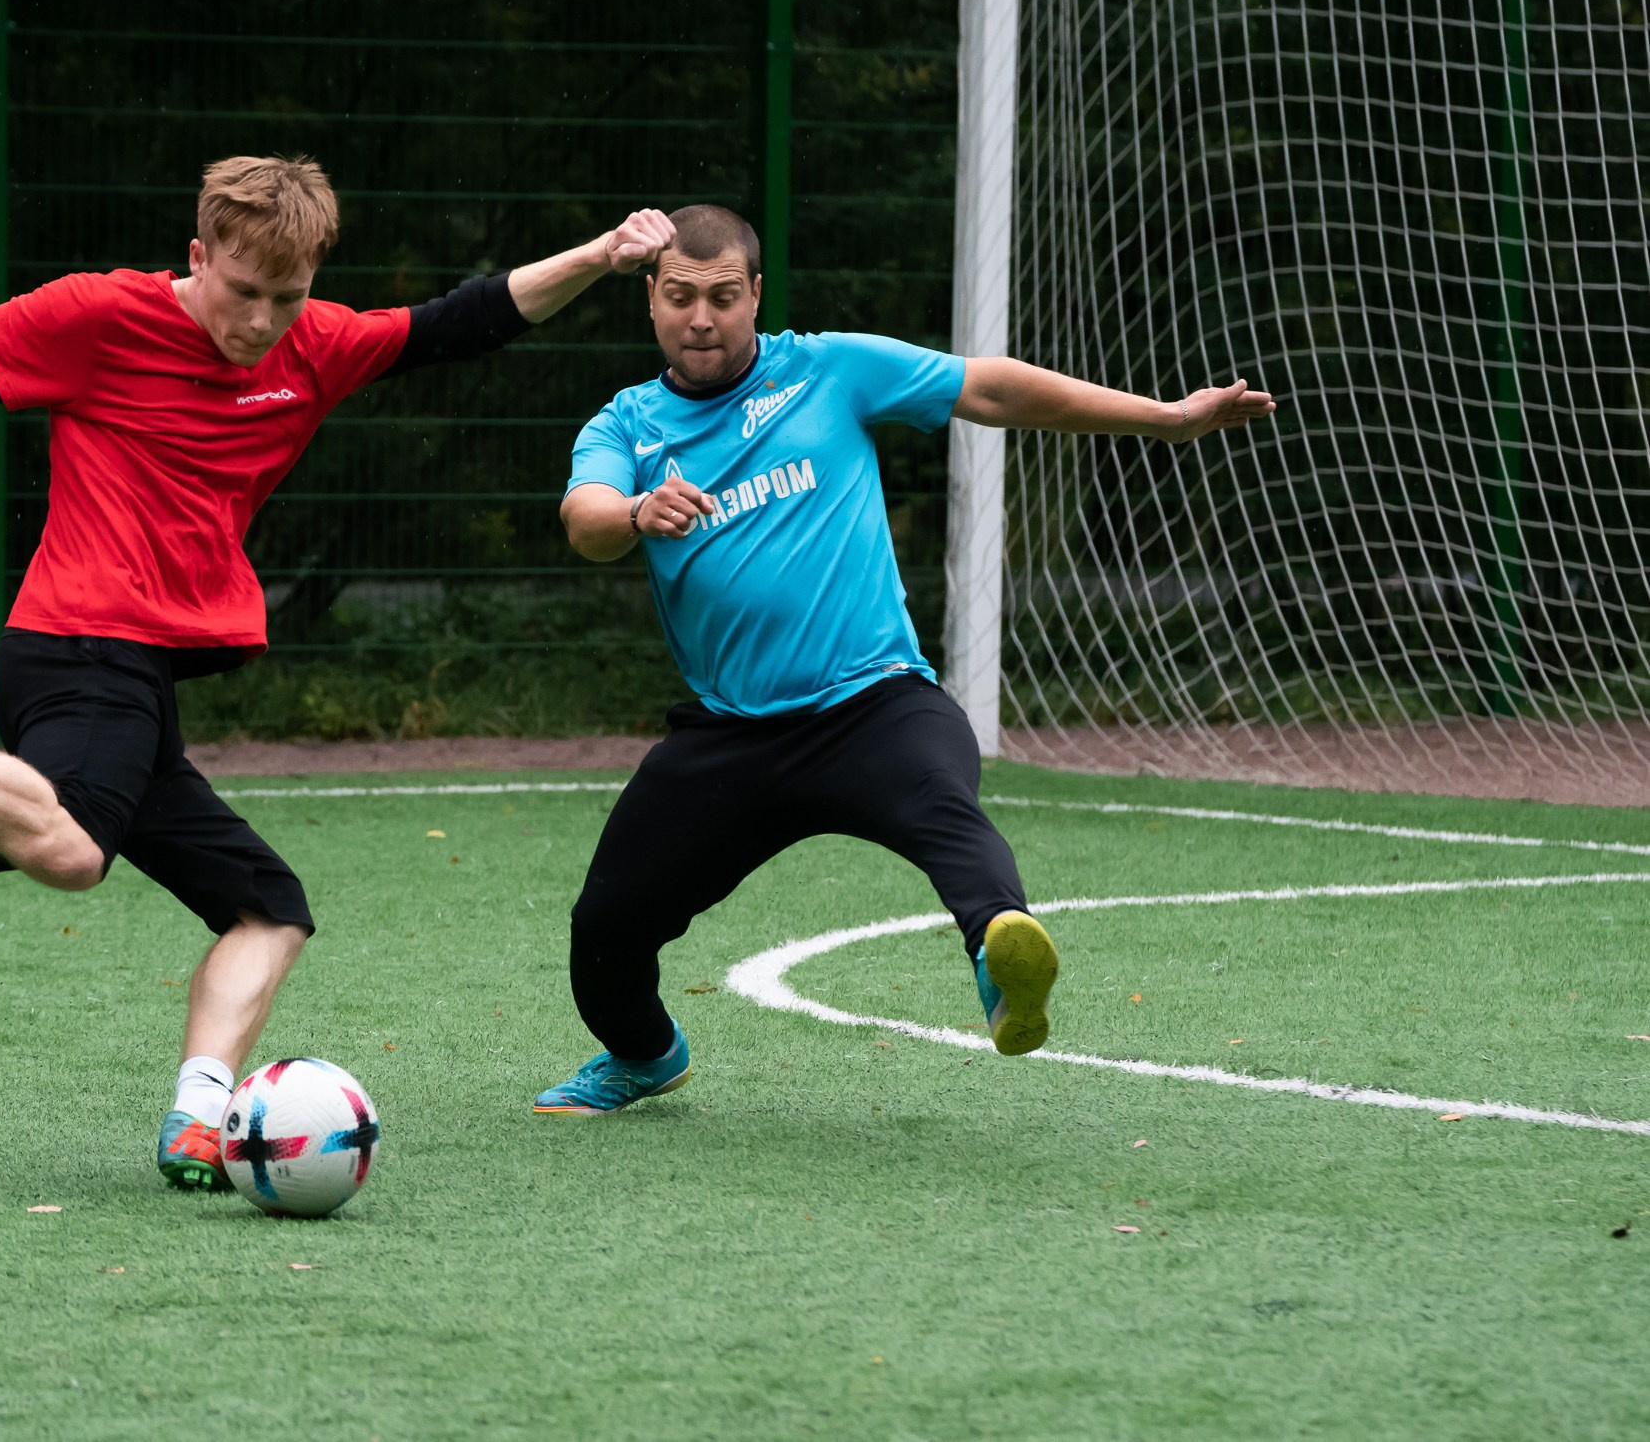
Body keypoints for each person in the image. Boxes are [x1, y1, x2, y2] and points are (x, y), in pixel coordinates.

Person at [0, 154, 677, 1182]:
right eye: (241, 290)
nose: (261, 320)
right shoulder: (96, 317)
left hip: (141, 673)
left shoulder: (312, 345)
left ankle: (201, 1114)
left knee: (269, 907)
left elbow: (466, 318)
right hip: (79, 641)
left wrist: (600, 251)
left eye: (287, 296)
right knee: (73, 850)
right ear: (196, 254)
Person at [534, 203, 1274, 1114]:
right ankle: (645, 1055)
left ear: (755, 296)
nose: (701, 318)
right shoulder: (628, 424)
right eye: (681, 296)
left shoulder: (827, 369)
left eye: (724, 297)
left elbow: (989, 389)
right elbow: (586, 519)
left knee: (945, 809)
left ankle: (1002, 957)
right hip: (730, 737)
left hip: (874, 706)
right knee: (602, 938)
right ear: (650, 299)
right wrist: (640, 512)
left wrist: (1163, 419)